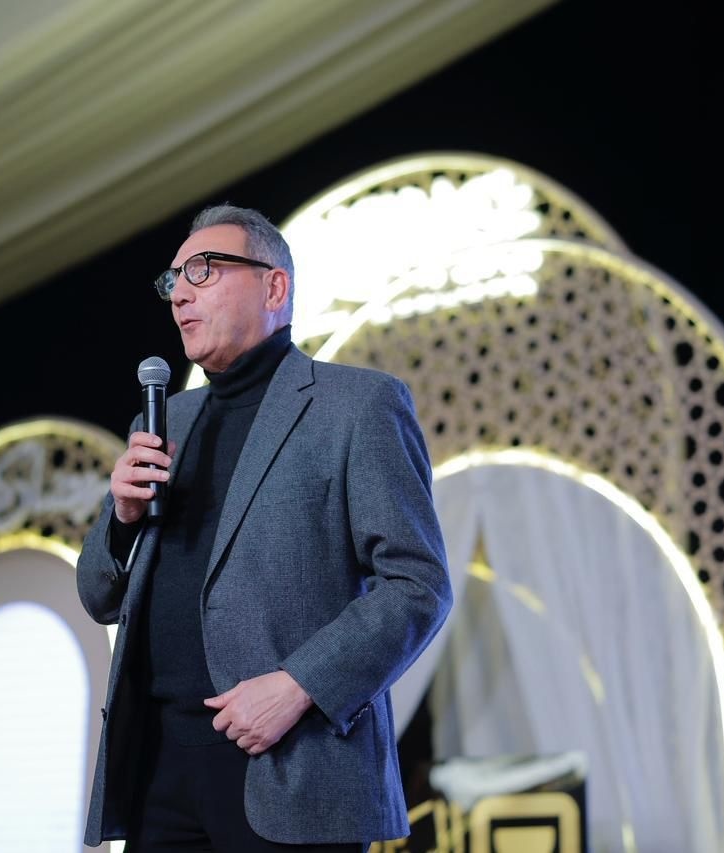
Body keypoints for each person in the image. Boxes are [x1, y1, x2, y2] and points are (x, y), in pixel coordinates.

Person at [77, 204, 451, 851]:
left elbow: (418, 585)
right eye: (173, 280)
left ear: (274, 287)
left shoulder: (357, 404)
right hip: (159, 768)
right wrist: (122, 519)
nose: (180, 294)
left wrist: (300, 685)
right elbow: (97, 595)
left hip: (290, 759)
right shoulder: (166, 420)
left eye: (203, 269)